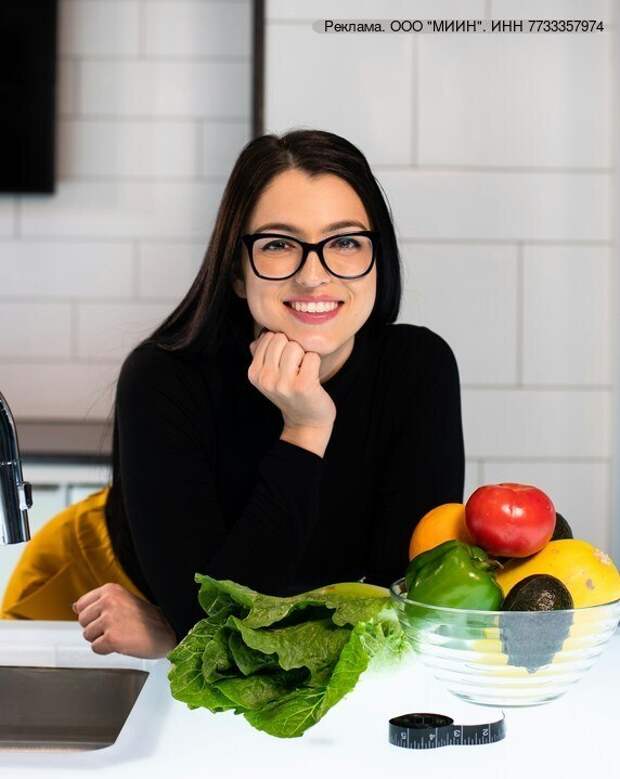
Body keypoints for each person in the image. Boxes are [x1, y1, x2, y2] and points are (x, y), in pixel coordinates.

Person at [1, 129, 465, 658]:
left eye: (344, 242)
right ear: (237, 272)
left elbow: (401, 617)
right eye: (278, 245)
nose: (314, 275)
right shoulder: (162, 378)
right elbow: (214, 626)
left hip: (191, 625)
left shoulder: (418, 369)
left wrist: (180, 631)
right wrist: (305, 431)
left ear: (378, 258)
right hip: (99, 590)